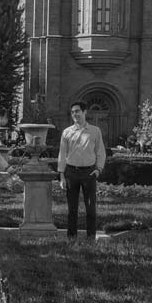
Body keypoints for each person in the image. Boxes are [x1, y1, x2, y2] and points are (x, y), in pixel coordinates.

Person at [57, 102, 107, 239]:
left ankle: (91, 238)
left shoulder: (95, 131)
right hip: (71, 173)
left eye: (77, 111)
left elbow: (100, 152)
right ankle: (71, 238)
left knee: (91, 209)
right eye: (73, 112)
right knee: (72, 210)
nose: (75, 114)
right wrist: (61, 175)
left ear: (85, 112)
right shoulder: (67, 132)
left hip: (89, 173)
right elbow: (62, 154)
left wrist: (98, 169)